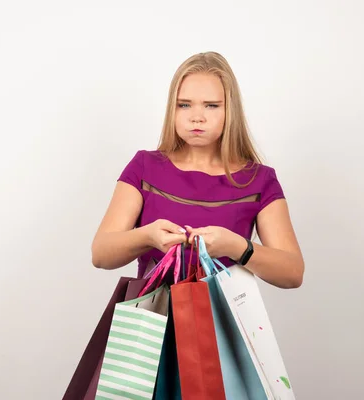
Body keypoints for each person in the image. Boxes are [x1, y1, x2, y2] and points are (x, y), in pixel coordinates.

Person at [91, 51, 304, 289]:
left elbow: (293, 272)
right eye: (184, 105)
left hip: (220, 323)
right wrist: (147, 236)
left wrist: (236, 247)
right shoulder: (144, 167)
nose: (197, 117)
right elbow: (100, 254)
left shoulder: (259, 180)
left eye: (211, 106)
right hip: (153, 323)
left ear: (229, 111)